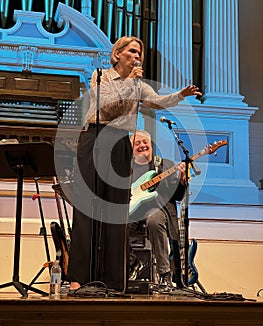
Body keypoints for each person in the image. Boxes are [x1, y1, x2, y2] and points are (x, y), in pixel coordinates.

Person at [66, 36, 202, 294]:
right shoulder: (100, 76)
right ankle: (78, 277)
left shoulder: (138, 83)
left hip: (119, 142)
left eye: (139, 51)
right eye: (132, 51)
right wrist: (130, 82)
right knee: (87, 207)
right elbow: (107, 108)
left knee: (116, 210)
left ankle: (114, 279)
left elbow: (158, 101)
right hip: (95, 137)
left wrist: (180, 95)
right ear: (117, 54)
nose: (137, 55)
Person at [129, 130, 186, 289]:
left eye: (144, 142)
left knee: (154, 221)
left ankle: (164, 275)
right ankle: (132, 262)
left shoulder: (164, 165)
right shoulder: (126, 168)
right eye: (137, 143)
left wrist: (182, 179)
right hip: (133, 210)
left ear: (150, 144)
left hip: (158, 208)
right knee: (115, 224)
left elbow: (177, 196)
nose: (142, 145)